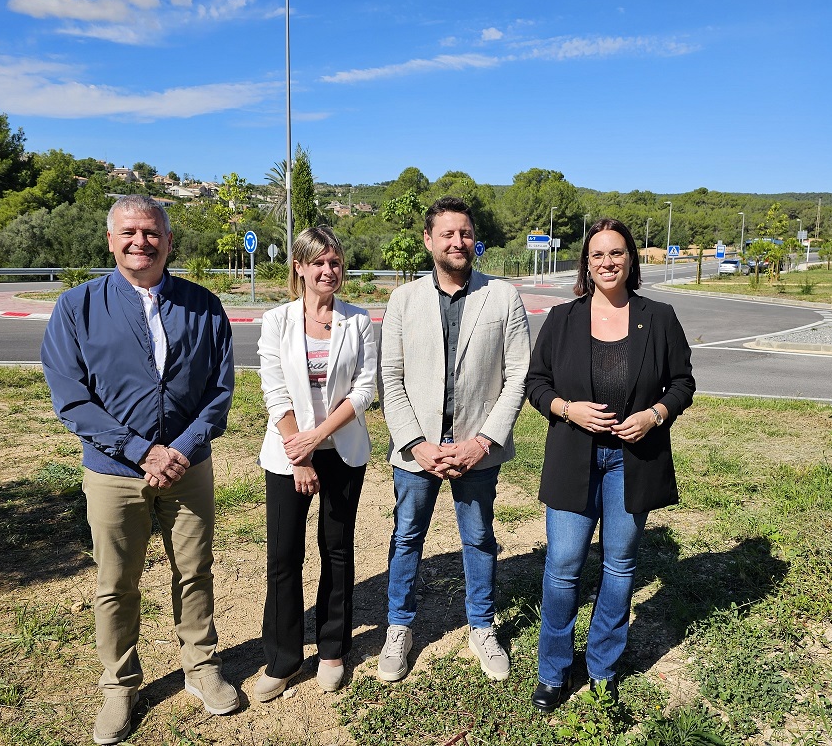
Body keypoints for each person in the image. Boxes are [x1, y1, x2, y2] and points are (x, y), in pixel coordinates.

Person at [41, 195, 238, 745]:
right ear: (110, 240)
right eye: (129, 231)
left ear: (168, 241)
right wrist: (141, 450)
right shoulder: (76, 308)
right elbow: (72, 398)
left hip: (189, 466)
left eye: (152, 232)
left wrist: (181, 448)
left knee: (195, 571)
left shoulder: (203, 305)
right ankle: (119, 684)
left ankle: (201, 667)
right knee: (115, 583)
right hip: (112, 471)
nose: (140, 241)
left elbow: (219, 392)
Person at [525, 217, 695, 712]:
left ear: (631, 258)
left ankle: (602, 667)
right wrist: (566, 409)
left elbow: (683, 383)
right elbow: (537, 383)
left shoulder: (658, 317)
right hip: (573, 457)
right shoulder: (563, 318)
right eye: (597, 255)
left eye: (616, 253)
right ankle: (553, 671)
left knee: (619, 567)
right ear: (586, 262)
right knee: (562, 569)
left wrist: (654, 414)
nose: (607, 262)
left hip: (632, 460)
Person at [378, 196, 530, 683]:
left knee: (480, 539)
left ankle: (482, 626)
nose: (457, 241)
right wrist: (416, 444)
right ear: (429, 240)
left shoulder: (503, 297)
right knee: (406, 538)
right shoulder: (404, 299)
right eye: (447, 234)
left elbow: (518, 377)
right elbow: (391, 377)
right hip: (417, 451)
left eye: (464, 233)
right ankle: (399, 627)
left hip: (475, 450)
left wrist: (483, 441)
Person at [253, 227, 377, 700]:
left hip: (342, 452)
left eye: (336, 262)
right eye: (318, 263)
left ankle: (332, 650)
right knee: (284, 556)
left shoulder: (359, 321)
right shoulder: (277, 321)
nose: (329, 271)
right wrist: (298, 452)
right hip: (287, 455)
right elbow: (274, 390)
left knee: (337, 550)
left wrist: (318, 439)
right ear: (300, 268)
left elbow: (364, 390)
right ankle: (283, 658)